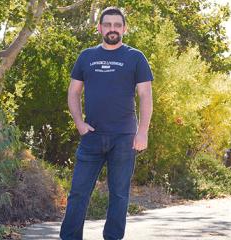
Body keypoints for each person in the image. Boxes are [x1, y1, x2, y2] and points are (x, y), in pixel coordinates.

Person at [60, 6, 154, 240]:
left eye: (117, 25)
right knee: (78, 193)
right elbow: (73, 92)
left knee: (119, 194)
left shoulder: (135, 57)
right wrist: (79, 123)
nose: (113, 29)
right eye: (108, 24)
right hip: (91, 136)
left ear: (124, 28)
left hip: (124, 138)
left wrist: (142, 132)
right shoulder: (86, 57)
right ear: (100, 27)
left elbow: (145, 96)